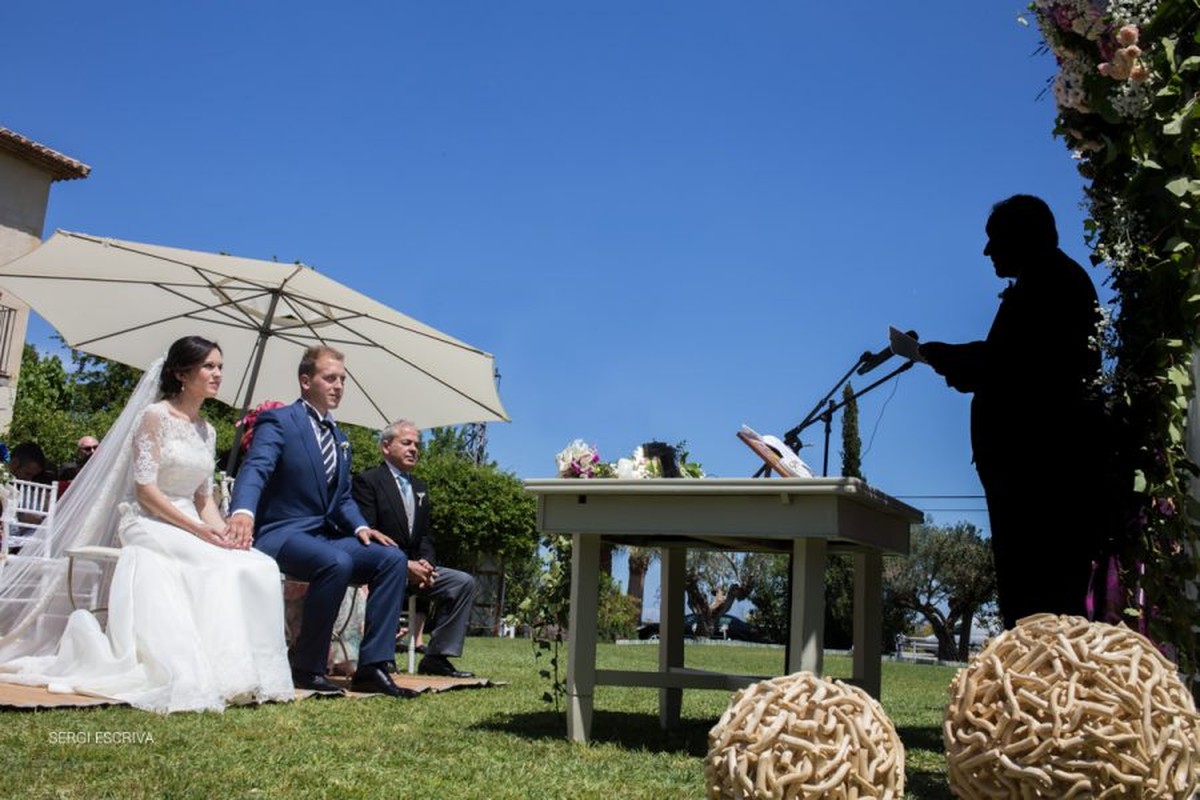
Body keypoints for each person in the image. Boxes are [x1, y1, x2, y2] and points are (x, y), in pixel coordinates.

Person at [0, 336, 294, 712]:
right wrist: (200, 532)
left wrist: (221, 530)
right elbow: (145, 491)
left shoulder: (208, 429)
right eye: (209, 366)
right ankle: (217, 673)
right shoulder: (154, 416)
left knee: (256, 563)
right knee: (213, 565)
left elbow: (204, 499)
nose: (218, 373)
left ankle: (258, 673)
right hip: (149, 520)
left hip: (191, 519)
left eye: (220, 366)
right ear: (181, 373)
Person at [919, 195, 1109, 629]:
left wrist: (949, 358)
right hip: (1029, 472)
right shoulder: (1050, 279)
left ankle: (1041, 687)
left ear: (1023, 237)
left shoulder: (1052, 282)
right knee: (1030, 596)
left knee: (1038, 599)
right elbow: (1010, 364)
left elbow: (1015, 367)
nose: (987, 252)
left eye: (994, 240)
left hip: (1040, 473)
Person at [226, 345, 412, 698]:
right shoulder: (279, 421)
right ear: (305, 380)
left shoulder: (340, 439)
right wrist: (243, 511)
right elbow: (256, 468)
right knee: (336, 562)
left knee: (392, 559)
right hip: (281, 534)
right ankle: (307, 666)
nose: (339, 385)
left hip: (323, 538)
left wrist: (360, 527)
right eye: (330, 378)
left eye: (342, 379)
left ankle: (373, 667)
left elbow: (341, 498)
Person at [352, 420, 477, 678]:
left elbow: (425, 536)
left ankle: (436, 657)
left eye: (417, 445)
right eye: (406, 443)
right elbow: (367, 531)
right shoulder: (367, 481)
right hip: (381, 567)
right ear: (386, 446)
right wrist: (403, 565)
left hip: (416, 568)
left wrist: (426, 563)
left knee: (462, 582)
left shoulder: (420, 487)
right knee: (393, 573)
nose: (414, 450)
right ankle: (382, 657)